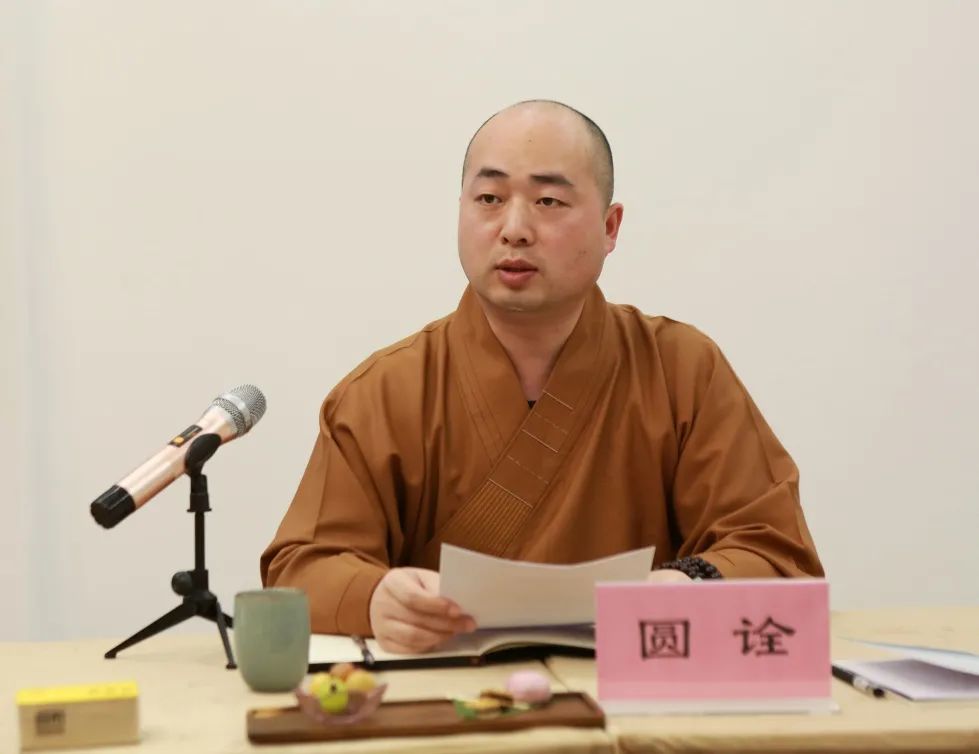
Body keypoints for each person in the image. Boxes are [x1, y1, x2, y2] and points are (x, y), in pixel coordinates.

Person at [261, 100, 823, 654]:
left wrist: (685, 586)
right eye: (489, 198)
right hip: (450, 696)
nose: (514, 229)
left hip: (633, 687)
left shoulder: (682, 370)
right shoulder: (386, 390)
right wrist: (375, 598)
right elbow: (301, 567)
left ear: (610, 226)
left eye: (549, 201)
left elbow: (776, 555)